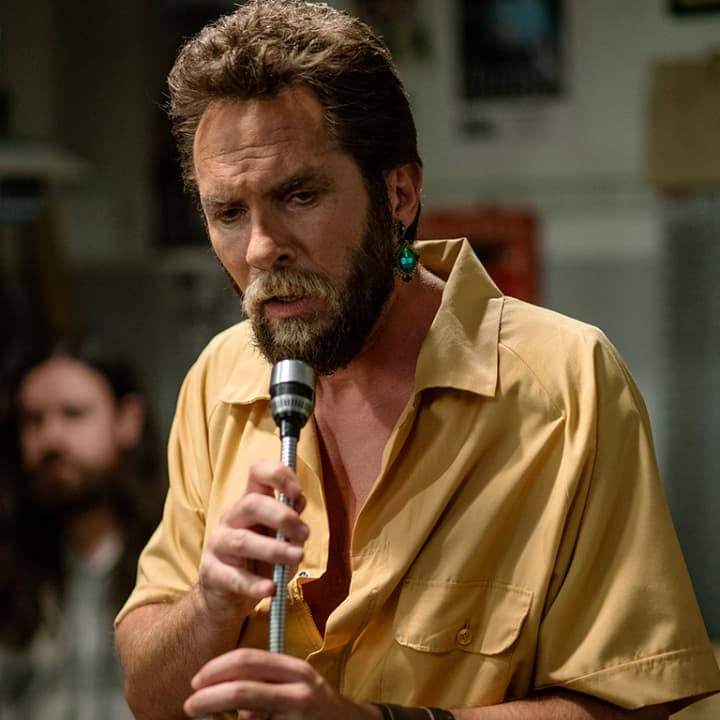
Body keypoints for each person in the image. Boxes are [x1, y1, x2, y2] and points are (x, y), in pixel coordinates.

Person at [114, 2, 720, 719]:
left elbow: (632, 706)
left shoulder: (565, 383)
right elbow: (148, 696)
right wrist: (210, 604)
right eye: (229, 213)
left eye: (299, 195)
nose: (261, 249)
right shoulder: (220, 379)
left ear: (398, 194)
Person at [0, 340, 167, 720]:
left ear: (128, 420)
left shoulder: (178, 561)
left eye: (73, 414)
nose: (51, 438)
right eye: (33, 420)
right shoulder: (11, 571)